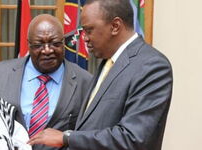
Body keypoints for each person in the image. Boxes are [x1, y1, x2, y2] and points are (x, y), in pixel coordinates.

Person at [27, 0, 173, 150]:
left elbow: (133, 139)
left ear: (115, 26)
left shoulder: (151, 65)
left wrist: (67, 137)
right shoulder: (108, 62)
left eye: (89, 30)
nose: (84, 38)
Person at [0, 14, 92, 150]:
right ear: (29, 45)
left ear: (63, 43)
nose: (47, 50)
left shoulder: (86, 82)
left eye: (55, 43)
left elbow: (89, 134)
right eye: (39, 45)